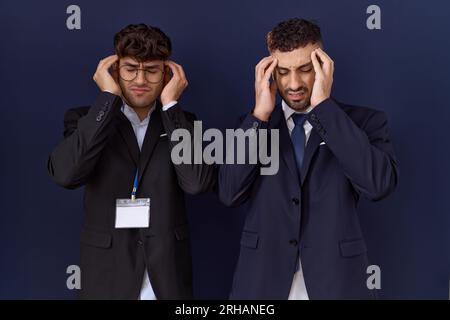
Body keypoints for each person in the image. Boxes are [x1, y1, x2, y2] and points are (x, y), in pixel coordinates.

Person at [218, 18, 399, 299]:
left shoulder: (364, 122)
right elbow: (230, 192)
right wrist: (260, 116)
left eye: (305, 70)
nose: (294, 83)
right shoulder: (251, 124)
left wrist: (324, 109)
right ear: (269, 73)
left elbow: (378, 185)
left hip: (337, 283)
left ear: (323, 67)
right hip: (262, 284)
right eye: (283, 71)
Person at [48, 23, 215, 299]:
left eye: (151, 71)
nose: (140, 80)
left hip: (166, 280)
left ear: (167, 74)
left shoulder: (183, 123)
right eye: (130, 69)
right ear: (114, 71)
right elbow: (66, 174)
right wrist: (107, 99)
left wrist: (172, 107)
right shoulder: (85, 119)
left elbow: (197, 183)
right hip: (107, 278)